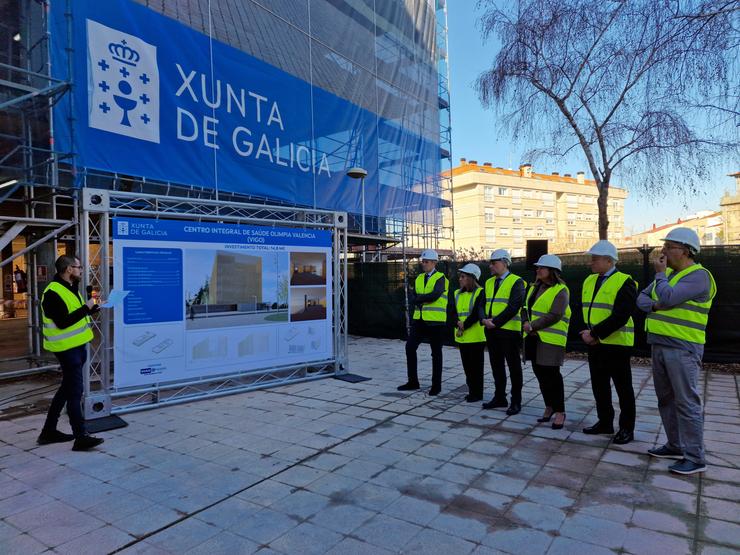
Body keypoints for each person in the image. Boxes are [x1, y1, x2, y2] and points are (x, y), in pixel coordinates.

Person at [637, 228, 716, 475]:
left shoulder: (699, 276)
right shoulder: (669, 274)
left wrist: (660, 281)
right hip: (660, 344)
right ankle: (674, 445)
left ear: (685, 250)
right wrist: (657, 303)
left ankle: (695, 457)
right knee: (666, 400)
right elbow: (641, 298)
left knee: (686, 402)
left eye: (668, 247)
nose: (663, 252)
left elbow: (669, 298)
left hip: (683, 347)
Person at [38, 255, 105, 451]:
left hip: (77, 345)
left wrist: (92, 310)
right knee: (75, 392)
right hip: (66, 349)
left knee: (67, 389)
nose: (81, 270)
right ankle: (80, 436)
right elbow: (63, 322)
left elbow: (75, 314)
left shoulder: (70, 287)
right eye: (79, 267)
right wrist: (86, 308)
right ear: (68, 269)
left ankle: (48, 431)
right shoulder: (52, 292)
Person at [579, 240, 637, 445]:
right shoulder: (589, 280)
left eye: (595, 259)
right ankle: (605, 422)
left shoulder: (625, 281)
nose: (591, 263)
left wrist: (594, 333)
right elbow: (586, 309)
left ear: (609, 260)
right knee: (599, 385)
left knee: (623, 388)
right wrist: (588, 332)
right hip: (595, 343)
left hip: (617, 344)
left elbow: (621, 316)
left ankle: (626, 428)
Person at [522, 254, 570, 430]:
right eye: (538, 267)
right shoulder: (534, 287)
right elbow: (525, 308)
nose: (538, 270)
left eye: (542, 267)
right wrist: (526, 322)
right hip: (534, 338)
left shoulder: (561, 290)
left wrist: (532, 326)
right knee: (540, 374)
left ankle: (560, 412)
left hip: (550, 340)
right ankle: (549, 406)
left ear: (552, 271)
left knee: (552, 376)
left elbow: (556, 314)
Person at [398, 249, 449, 396]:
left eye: (426, 262)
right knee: (410, 347)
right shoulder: (419, 278)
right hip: (419, 320)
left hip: (435, 321)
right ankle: (413, 381)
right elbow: (413, 294)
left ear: (434, 263)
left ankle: (436, 385)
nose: (423, 264)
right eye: (422, 261)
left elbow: (434, 295)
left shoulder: (441, 278)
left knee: (436, 354)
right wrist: (419, 298)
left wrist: (419, 298)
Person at [481, 249, 525, 415]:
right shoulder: (489, 282)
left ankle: (516, 401)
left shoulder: (517, 282)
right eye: (490, 263)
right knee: (496, 366)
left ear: (505, 263)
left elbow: (514, 306)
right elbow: (482, 303)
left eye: (494, 263)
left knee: (514, 367)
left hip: (509, 332)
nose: (491, 266)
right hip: (491, 331)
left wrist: (495, 322)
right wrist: (484, 319)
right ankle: (500, 397)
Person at [452, 264, 486, 402]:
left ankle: (477, 393)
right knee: (467, 367)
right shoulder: (456, 293)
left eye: (463, 277)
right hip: (462, 337)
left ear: (472, 278)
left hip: (476, 337)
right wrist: (457, 322)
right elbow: (452, 311)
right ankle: (472, 390)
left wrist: (464, 324)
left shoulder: (481, 292)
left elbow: (477, 313)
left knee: (476, 368)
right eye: (460, 276)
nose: (460, 279)